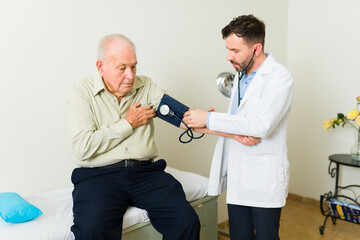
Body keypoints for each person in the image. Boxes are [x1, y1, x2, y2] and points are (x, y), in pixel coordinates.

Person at [66, 34, 201, 240]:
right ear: (101, 66)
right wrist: (128, 124)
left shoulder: (146, 86)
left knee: (187, 222)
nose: (130, 75)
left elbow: (180, 115)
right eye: (122, 68)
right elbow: (82, 147)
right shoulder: (80, 93)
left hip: (146, 174)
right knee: (91, 230)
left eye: (134, 67)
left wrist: (209, 121)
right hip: (98, 178)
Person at [183, 15, 294, 240]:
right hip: (238, 176)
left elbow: (260, 125)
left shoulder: (280, 78)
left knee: (266, 236)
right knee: (239, 236)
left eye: (235, 50)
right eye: (227, 49)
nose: (228, 56)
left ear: (256, 48)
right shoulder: (240, 76)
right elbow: (240, 125)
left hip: (264, 180)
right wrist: (206, 125)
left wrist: (209, 119)